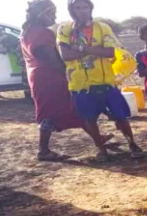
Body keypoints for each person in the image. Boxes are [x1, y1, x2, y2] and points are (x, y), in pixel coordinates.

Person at [21, 0, 112, 161]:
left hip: (38, 76)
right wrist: (67, 71)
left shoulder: (28, 31)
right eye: (52, 12)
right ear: (41, 13)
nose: (55, 15)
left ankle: (99, 139)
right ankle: (43, 150)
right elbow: (50, 58)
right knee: (57, 111)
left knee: (71, 109)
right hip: (49, 77)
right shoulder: (43, 33)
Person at [58, 0, 143, 161]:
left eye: (85, 7)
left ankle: (132, 144)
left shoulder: (102, 28)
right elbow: (65, 55)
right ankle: (101, 149)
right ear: (71, 10)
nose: (82, 11)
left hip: (106, 82)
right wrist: (96, 51)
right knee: (89, 119)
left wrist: (80, 48)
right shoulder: (65, 29)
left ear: (91, 8)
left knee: (120, 116)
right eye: (78, 7)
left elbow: (110, 52)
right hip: (80, 84)